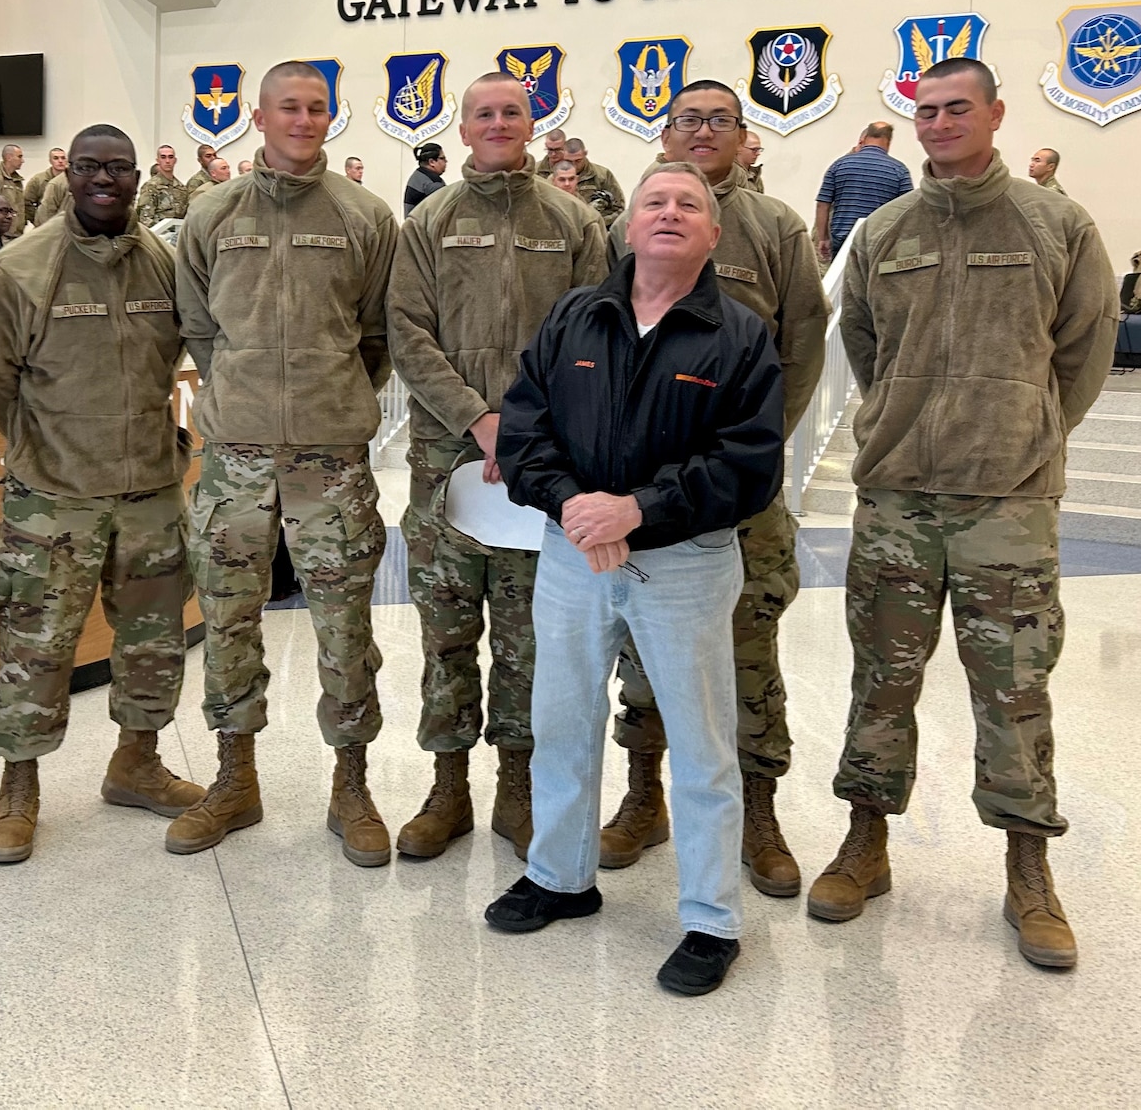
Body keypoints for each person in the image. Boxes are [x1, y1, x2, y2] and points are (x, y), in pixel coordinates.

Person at [808, 57, 1116, 971]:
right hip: (898, 495)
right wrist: (900, 413)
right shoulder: (884, 230)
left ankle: (1030, 870)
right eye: (926, 110)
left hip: (1008, 500)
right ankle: (866, 843)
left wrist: (1026, 426)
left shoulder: (1056, 222)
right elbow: (863, 340)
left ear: (995, 114)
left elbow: (1086, 346)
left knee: (1014, 690)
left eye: (956, 109)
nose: (939, 123)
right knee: (882, 679)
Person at [486, 162, 785, 997]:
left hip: (684, 563)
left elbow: (748, 465)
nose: (669, 212)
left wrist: (639, 511)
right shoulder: (574, 317)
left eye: (690, 204)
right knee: (562, 721)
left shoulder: (740, 335)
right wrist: (578, 505)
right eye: (655, 199)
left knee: (700, 743)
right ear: (626, 224)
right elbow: (523, 430)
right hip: (572, 553)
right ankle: (559, 877)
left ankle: (710, 919)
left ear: (713, 235)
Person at [600, 81, 826, 896]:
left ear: (743, 135)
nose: (702, 131)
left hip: (741, 491)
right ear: (665, 133)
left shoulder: (773, 230)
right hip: (642, 490)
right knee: (641, 642)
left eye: (719, 120)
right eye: (687, 119)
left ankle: (757, 813)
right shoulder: (624, 226)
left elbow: (802, 345)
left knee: (747, 645)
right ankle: (641, 799)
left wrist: (753, 454)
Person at [169, 60, 398, 865]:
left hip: (328, 458)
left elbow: (375, 336)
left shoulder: (366, 216)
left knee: (344, 625)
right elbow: (198, 326)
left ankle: (353, 785)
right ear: (258, 118)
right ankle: (234, 780)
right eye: (289, 108)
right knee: (228, 619)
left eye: (317, 108)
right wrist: (249, 389)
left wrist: (324, 398)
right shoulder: (211, 213)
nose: (304, 120)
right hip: (233, 456)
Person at [0, 124, 204, 864]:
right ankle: (19, 787)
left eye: (119, 168)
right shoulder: (20, 270)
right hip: (54, 498)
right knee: (36, 645)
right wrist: (46, 447)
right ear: (67, 175)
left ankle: (136, 762)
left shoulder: (166, 265)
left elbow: (184, 354)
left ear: (138, 178)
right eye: (91, 167)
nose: (106, 179)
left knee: (155, 640)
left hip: (149, 492)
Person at [387, 72, 608, 861]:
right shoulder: (429, 222)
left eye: (511, 111)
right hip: (446, 461)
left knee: (526, 637)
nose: (498, 123)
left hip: (541, 465)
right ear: (464, 125)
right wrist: (476, 419)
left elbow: (596, 336)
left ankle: (517, 788)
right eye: (483, 113)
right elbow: (406, 330)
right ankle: (447, 788)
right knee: (447, 633)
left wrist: (523, 429)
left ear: (531, 120)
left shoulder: (575, 222)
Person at [813, 122, 911, 263]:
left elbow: (822, 204)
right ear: (888, 142)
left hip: (842, 239)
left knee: (843, 284)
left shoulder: (839, 165)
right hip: (880, 242)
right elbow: (907, 211)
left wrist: (823, 238)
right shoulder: (899, 170)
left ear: (864, 138)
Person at [563, 137, 626, 221]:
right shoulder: (556, 177)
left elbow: (619, 208)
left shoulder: (602, 175)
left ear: (585, 153)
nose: (574, 165)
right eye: (569, 161)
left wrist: (597, 222)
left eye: (578, 161)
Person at [134, 144, 190, 227]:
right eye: (163, 157)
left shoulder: (181, 188)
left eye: (170, 157)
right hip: (157, 234)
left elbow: (185, 217)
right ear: (158, 160)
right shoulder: (151, 187)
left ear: (175, 160)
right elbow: (145, 219)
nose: (167, 161)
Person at [23, 147, 71, 227]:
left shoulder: (72, 179)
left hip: (67, 225)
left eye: (63, 158)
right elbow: (26, 202)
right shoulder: (38, 180)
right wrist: (37, 219)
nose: (60, 161)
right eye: (56, 158)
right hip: (45, 224)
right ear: (50, 161)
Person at [404, 141, 447, 215]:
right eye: (442, 158)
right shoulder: (433, 183)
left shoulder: (418, 175)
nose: (446, 161)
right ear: (432, 162)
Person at [736, 129, 765, 193]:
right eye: (754, 149)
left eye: (759, 149)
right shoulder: (730, 174)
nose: (758, 153)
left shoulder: (754, 174)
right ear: (738, 148)